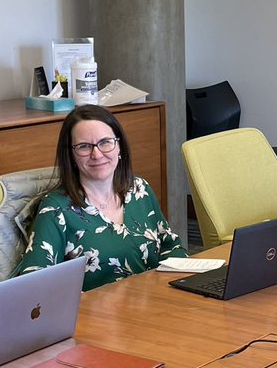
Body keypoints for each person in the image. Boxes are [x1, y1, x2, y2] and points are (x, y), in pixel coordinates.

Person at [14, 104, 187, 291]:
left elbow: (171, 247)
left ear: (119, 146)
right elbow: (34, 284)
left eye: (105, 142)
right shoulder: (56, 210)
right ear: (71, 155)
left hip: (156, 306)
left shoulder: (139, 189)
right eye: (84, 147)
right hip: (96, 317)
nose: (97, 154)